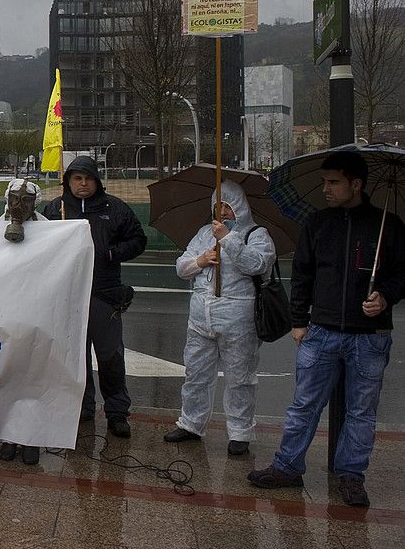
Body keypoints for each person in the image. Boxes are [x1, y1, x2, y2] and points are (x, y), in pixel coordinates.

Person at [248, 151, 405, 507]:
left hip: (371, 335)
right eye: (324, 182)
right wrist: (299, 321)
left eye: (334, 182)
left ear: (357, 184)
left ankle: (351, 474)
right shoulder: (318, 224)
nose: (327, 189)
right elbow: (302, 273)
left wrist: (386, 295)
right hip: (322, 331)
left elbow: (402, 274)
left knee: (361, 410)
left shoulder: (388, 226)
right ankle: (288, 466)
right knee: (304, 404)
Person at [165, 180, 275, 456]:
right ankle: (191, 423)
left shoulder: (257, 234)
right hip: (201, 316)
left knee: (240, 377)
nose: (223, 211)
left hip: (238, 317)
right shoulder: (204, 233)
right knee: (196, 374)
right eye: (218, 206)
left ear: (240, 206)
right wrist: (200, 261)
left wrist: (228, 239)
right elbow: (182, 267)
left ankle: (240, 432)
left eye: (228, 205)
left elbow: (258, 264)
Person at [42, 156, 147, 438]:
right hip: (68, 296)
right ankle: (83, 406)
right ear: (68, 181)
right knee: (75, 357)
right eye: (77, 178)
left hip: (105, 294)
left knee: (111, 356)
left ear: (96, 180)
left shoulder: (115, 208)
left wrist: (113, 253)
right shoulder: (55, 209)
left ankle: (116, 412)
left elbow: (138, 240)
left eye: (87, 178)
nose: (83, 183)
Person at [0, 178, 47, 464]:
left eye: (25, 200)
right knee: (6, 373)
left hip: (35, 313)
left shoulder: (50, 229)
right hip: (4, 313)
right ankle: (7, 434)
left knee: (33, 376)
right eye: (14, 198)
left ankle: (31, 436)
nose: (18, 205)